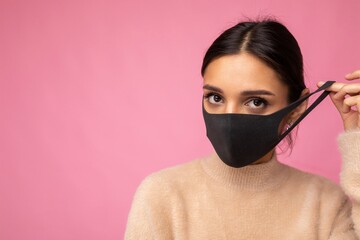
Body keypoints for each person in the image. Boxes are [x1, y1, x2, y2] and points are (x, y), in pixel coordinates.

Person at [125, 19, 360, 239]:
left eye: (256, 102)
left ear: (296, 108)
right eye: (215, 97)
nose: (229, 117)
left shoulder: (326, 204)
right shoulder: (161, 196)